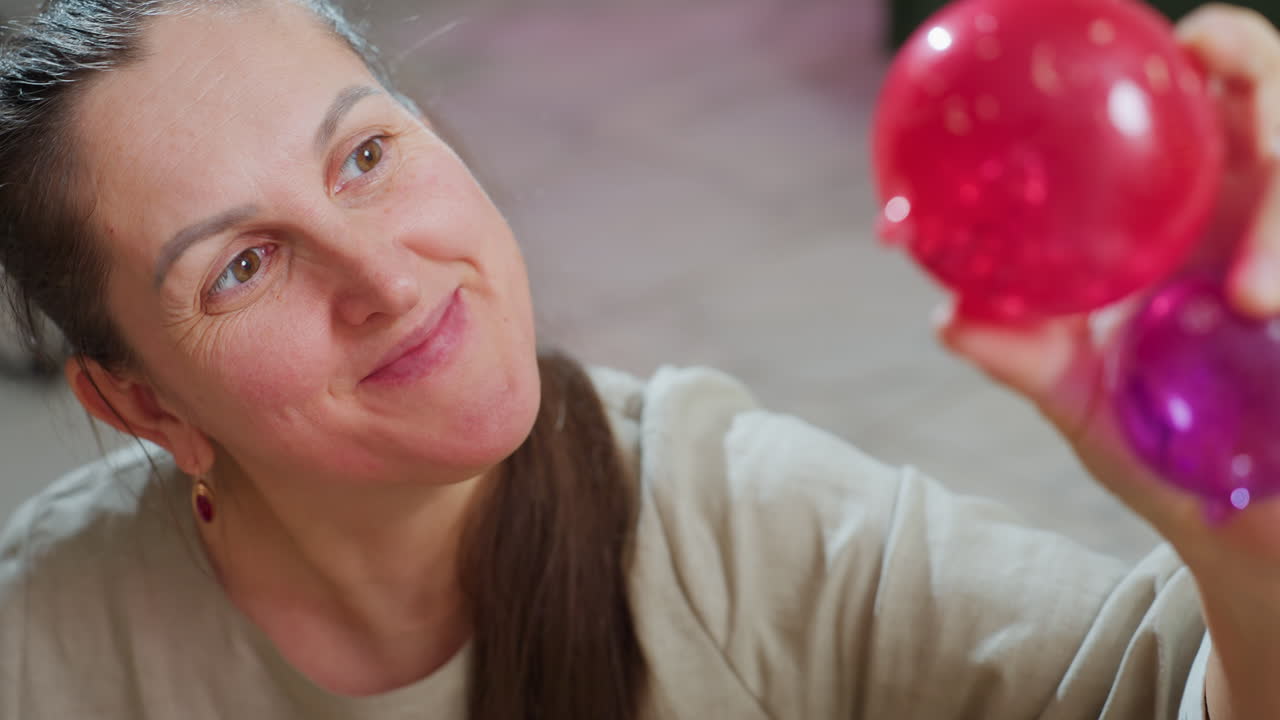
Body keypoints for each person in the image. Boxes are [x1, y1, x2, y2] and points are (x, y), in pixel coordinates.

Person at [0, 0, 1277, 717]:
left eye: (367, 156)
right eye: (241, 265)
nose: (385, 279)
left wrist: (1247, 539)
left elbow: (1152, 684)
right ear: (145, 403)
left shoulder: (733, 527)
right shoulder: (43, 646)